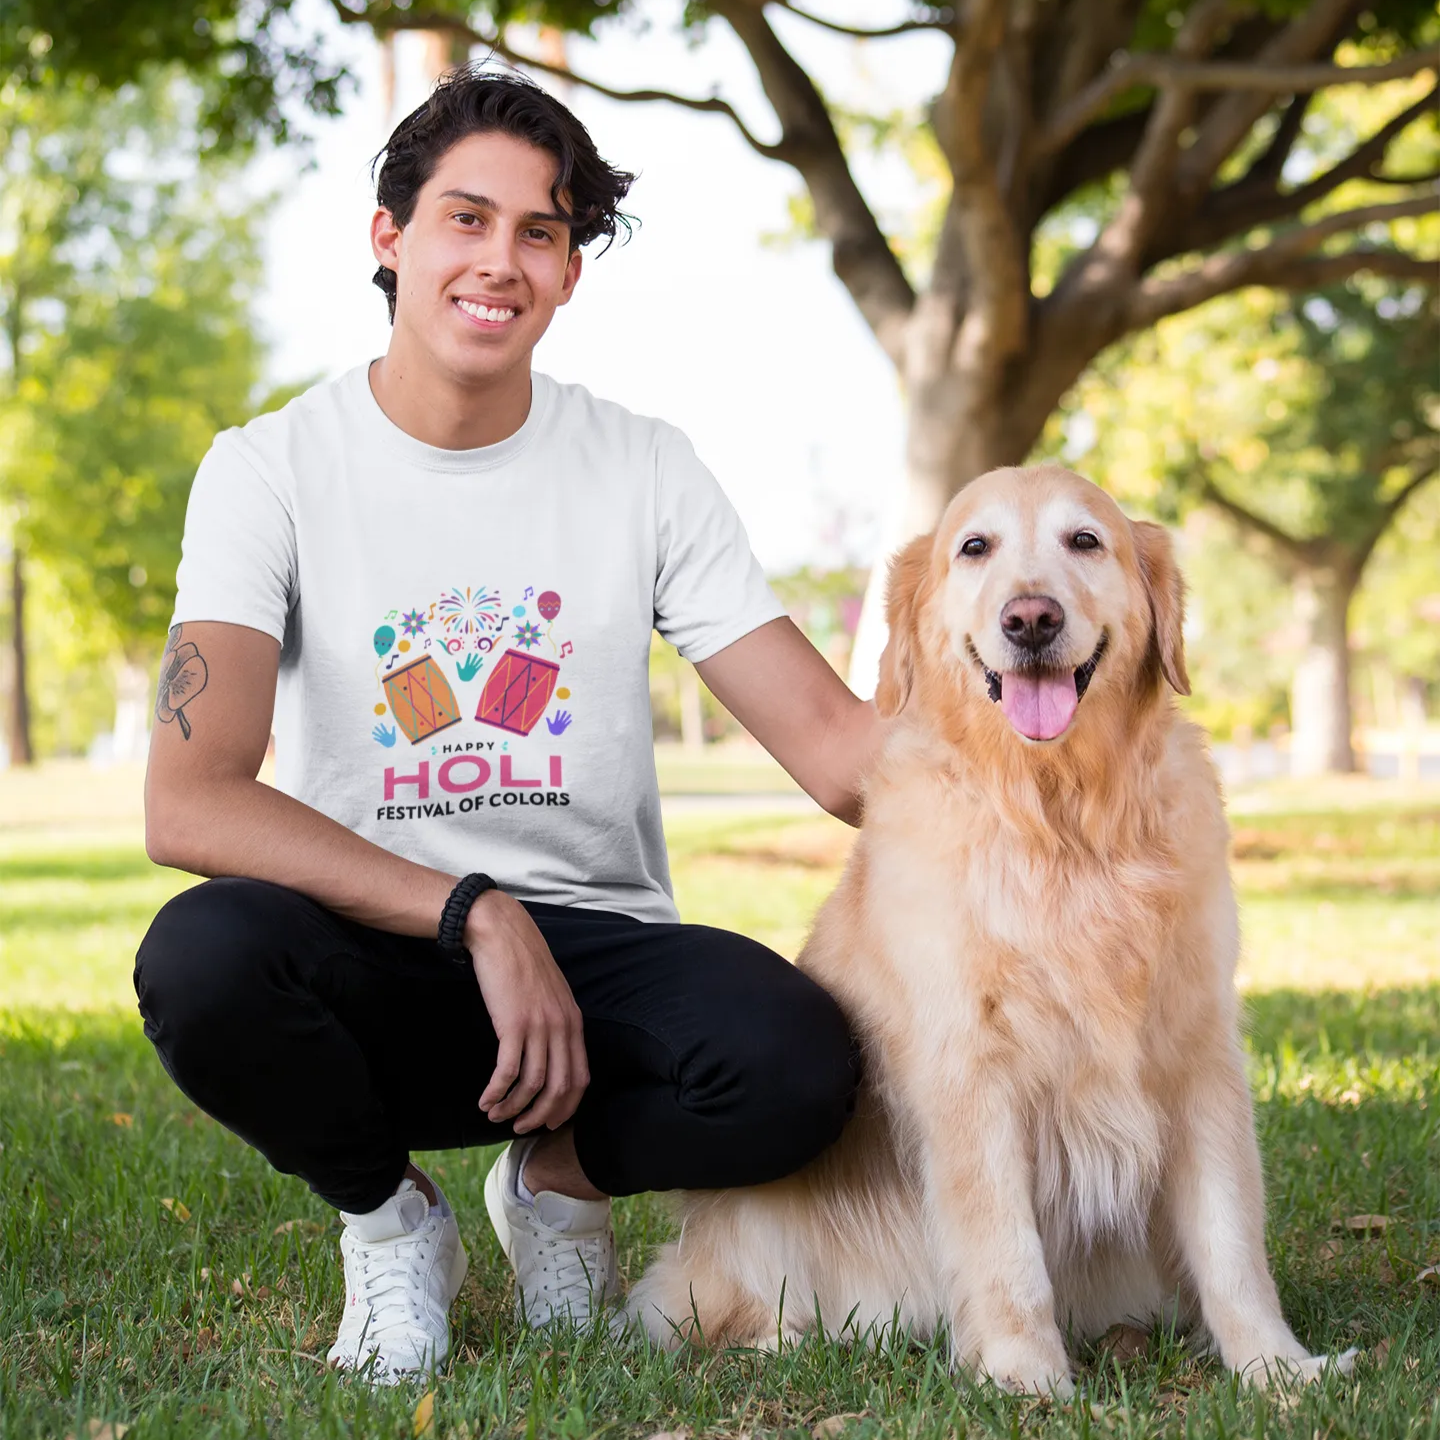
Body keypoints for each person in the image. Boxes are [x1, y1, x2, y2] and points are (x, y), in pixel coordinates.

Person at [135, 68, 883, 1385]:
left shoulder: (644, 466)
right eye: (465, 219)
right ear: (391, 236)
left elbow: (836, 752)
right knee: (202, 960)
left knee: (798, 1064)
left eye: (541, 232)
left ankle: (558, 1179)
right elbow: (189, 800)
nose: (501, 261)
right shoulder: (269, 469)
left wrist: (1047, 710)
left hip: (595, 975)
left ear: (572, 270)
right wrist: (477, 910)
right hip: (380, 945)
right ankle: (391, 1217)